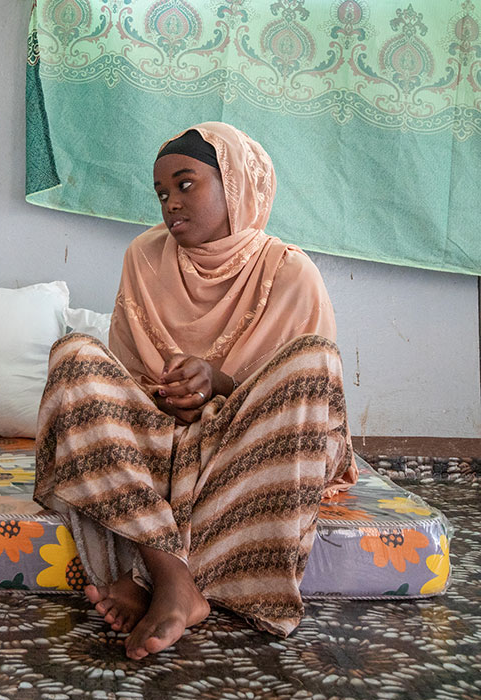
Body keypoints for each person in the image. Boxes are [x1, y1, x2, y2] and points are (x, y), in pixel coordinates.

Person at [34, 123, 358, 659]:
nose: (170, 203)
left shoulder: (290, 271)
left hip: (249, 443)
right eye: (161, 193)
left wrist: (220, 384)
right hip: (160, 437)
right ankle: (173, 577)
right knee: (73, 355)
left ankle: (149, 580)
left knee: (314, 359)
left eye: (186, 184)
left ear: (235, 185)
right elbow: (125, 377)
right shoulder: (144, 256)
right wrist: (163, 396)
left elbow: (306, 405)